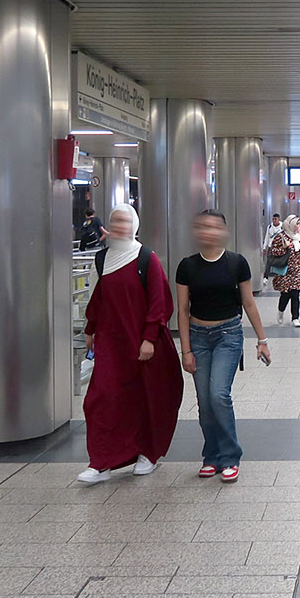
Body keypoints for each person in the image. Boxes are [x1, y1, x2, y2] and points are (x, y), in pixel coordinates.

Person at [78, 203, 183, 484]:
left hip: (142, 345)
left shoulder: (146, 258)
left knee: (146, 398)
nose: (120, 226)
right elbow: (97, 300)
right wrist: (91, 329)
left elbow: (160, 302)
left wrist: (149, 338)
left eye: (125, 221)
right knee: (102, 399)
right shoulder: (102, 260)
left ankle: (147, 452)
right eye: (115, 221)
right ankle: (100, 461)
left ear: (134, 225)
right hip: (112, 344)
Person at [177, 209, 270, 483]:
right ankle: (211, 455)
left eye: (214, 227)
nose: (209, 231)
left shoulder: (236, 263)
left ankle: (230, 456)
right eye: (203, 226)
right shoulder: (187, 266)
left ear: (224, 232)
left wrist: (262, 340)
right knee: (204, 402)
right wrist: (186, 350)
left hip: (228, 335)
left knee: (218, 395)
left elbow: (249, 303)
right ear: (197, 232)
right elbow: (182, 310)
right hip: (198, 336)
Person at [268, 215, 300, 326]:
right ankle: (281, 311)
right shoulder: (280, 237)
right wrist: (284, 247)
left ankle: (295, 317)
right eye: (296, 224)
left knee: (295, 294)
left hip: (297, 271)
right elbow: (273, 251)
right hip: (285, 271)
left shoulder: (299, 238)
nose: (298, 226)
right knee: (285, 295)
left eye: (298, 224)